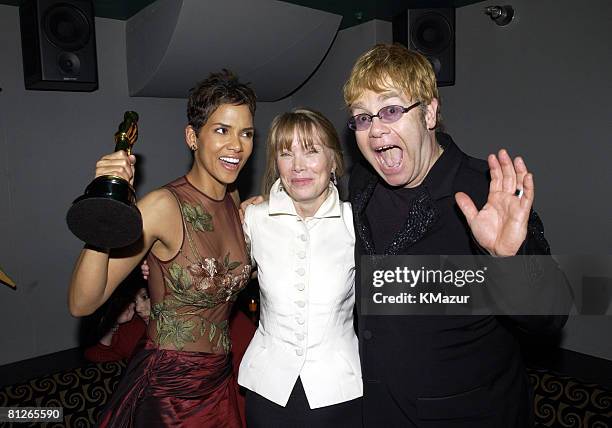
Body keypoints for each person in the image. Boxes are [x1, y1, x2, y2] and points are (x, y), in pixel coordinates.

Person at [343, 43, 569, 427]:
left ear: (429, 112)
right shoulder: (360, 183)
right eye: (363, 118)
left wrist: (508, 262)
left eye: (391, 110)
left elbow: (550, 318)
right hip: (378, 412)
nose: (376, 128)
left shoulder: (484, 189)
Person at [68, 70, 256, 427]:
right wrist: (104, 213)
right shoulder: (163, 206)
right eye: (222, 130)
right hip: (169, 389)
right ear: (192, 137)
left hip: (219, 381)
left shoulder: (233, 198)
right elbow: (82, 302)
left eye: (246, 133)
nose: (237, 145)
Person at [238, 109, 363, 427]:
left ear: (333, 160)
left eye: (311, 150)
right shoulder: (253, 219)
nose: (298, 166)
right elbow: (213, 269)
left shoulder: (356, 222)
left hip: (339, 394)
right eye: (286, 153)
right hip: (268, 391)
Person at [84, 286, 149, 363]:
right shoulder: (132, 326)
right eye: (135, 301)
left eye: (145, 297)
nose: (138, 308)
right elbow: (94, 354)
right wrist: (115, 324)